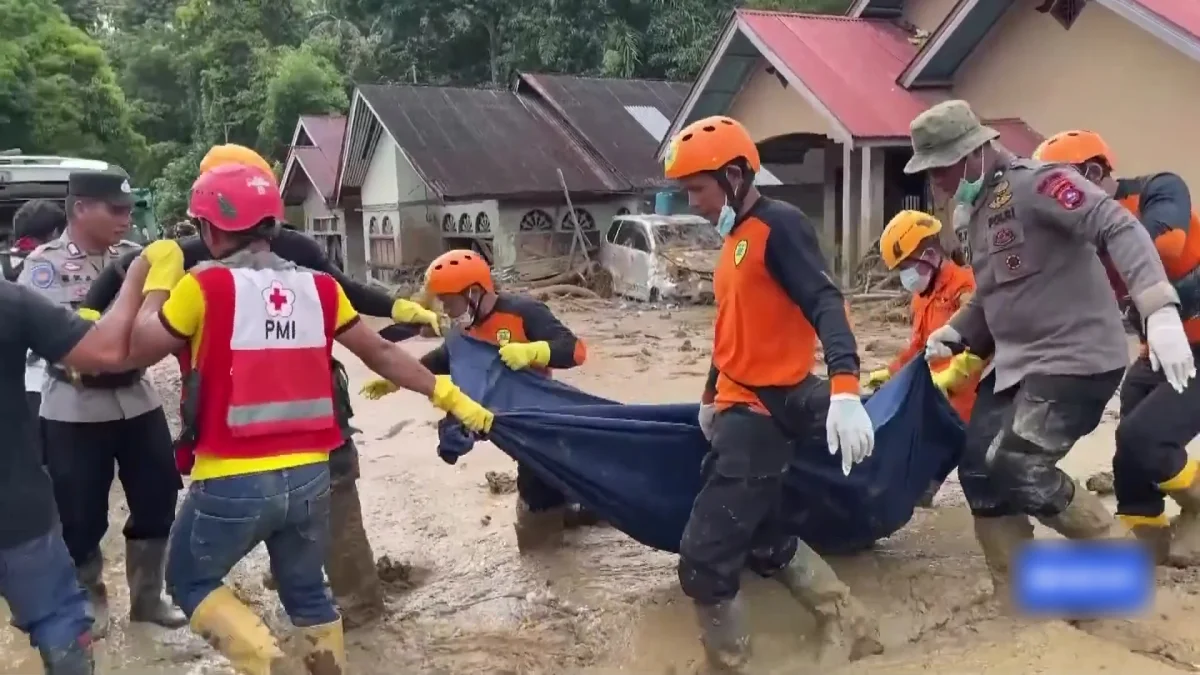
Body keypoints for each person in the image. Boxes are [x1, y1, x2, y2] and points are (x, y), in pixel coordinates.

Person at [122, 163, 494, 675]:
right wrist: (452, 397)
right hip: (312, 477)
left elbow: (139, 347)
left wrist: (158, 280)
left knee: (188, 580)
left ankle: (268, 664)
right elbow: (382, 356)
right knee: (309, 594)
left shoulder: (202, 286)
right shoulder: (320, 288)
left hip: (231, 477)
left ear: (209, 228)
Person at [81, 143, 443, 628]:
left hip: (233, 443)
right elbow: (362, 321)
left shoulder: (192, 264)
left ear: (209, 216)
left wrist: (112, 308)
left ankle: (280, 638)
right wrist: (412, 335)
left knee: (194, 574)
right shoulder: (304, 258)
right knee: (322, 540)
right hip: (314, 432)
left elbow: (121, 309)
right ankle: (354, 614)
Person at [905, 100, 1194, 596]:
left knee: (1018, 464)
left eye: (942, 169)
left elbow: (1117, 225)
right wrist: (956, 331)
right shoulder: (974, 214)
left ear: (973, 152)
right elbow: (994, 294)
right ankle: (1021, 592)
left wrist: (1158, 306)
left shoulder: (1038, 184)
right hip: (1019, 362)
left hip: (1075, 357)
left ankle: (1121, 574)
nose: (939, 183)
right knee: (978, 469)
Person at [660, 115, 880, 670]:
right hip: (737, 405)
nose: (693, 203)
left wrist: (847, 389)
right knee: (764, 538)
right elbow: (731, 330)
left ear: (734, 175)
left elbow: (826, 303)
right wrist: (710, 395)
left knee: (704, 562)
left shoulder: (780, 227)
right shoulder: (733, 240)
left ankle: (729, 665)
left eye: (698, 190)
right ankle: (847, 620)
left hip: (764, 410)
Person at [18, 169, 186, 637]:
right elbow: (79, 341)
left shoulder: (135, 257)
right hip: (74, 404)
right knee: (78, 510)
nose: (126, 219)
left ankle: (149, 596)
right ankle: (89, 595)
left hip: (136, 397)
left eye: (129, 210)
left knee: (159, 496)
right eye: (115, 210)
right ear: (79, 209)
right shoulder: (44, 267)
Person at [1034, 130, 1200, 566]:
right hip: (1161, 348)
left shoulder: (1159, 189)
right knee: (1128, 441)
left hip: (1193, 342)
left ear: (1094, 172)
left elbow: (1166, 244)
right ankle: (1143, 525)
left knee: (1144, 436)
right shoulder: (1076, 236)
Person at [361, 249, 591, 552]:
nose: (444, 307)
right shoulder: (463, 326)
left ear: (473, 292)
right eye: (440, 300)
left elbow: (575, 350)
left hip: (537, 418)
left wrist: (533, 352)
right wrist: (397, 379)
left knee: (538, 497)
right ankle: (565, 520)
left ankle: (552, 556)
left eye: (448, 299)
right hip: (496, 416)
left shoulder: (524, 312)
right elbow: (446, 357)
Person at [0, 250, 148, 674]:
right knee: (60, 624)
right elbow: (104, 351)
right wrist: (136, 277)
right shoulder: (11, 301)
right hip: (17, 515)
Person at [870, 209, 986, 506]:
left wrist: (956, 374)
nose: (906, 276)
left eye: (907, 266)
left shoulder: (966, 287)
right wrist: (891, 371)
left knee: (983, 478)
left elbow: (982, 342)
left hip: (971, 403)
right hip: (937, 400)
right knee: (918, 485)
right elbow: (918, 347)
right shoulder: (922, 296)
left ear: (931, 254)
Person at [8, 200, 69, 463]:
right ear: (56, 233)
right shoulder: (58, 264)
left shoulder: (4, 264)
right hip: (52, 387)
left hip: (12, 387)